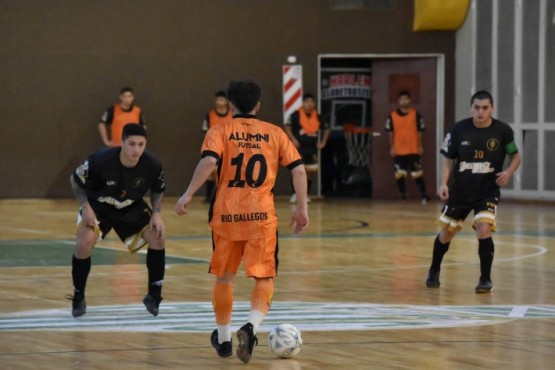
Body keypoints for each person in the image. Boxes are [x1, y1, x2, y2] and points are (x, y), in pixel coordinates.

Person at [175, 80, 309, 363]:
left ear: (231, 106)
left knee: (225, 278)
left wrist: (187, 194)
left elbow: (209, 162)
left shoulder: (220, 130)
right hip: (261, 217)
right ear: (258, 105)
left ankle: (223, 340)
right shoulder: (274, 133)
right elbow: (298, 170)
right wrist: (302, 208)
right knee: (264, 277)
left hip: (226, 216)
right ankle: (251, 326)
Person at [426, 90, 521, 293]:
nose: (480, 111)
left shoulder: (503, 131)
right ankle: (434, 270)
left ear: (491, 108)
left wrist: (508, 172)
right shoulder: (458, 130)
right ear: (471, 108)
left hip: (487, 191)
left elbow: (515, 156)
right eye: (477, 107)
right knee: (447, 233)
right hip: (460, 191)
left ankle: (485, 279)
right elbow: (447, 159)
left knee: (484, 227)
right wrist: (443, 183)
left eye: (485, 107)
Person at [68, 124, 166, 318]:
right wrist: (85, 205)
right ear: (121, 143)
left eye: (141, 144)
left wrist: (157, 213)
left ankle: (154, 296)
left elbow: (158, 188)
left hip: (130, 207)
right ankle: (78, 296)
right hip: (98, 207)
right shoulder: (100, 160)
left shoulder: (152, 164)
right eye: (131, 144)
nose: (136, 150)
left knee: (158, 237)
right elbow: (75, 179)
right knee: (83, 243)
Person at [385, 90, 430, 203]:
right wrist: (392, 147)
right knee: (400, 174)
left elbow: (420, 132)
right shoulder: (392, 116)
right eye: (401, 99)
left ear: (410, 100)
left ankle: (424, 195)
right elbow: (390, 133)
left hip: (413, 148)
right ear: (398, 101)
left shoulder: (416, 114)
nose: (404, 101)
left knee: (417, 173)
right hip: (399, 149)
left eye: (406, 99)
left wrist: (420, 146)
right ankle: (402, 195)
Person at [284, 93, 329, 203]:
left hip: (312, 148)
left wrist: (323, 143)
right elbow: (287, 126)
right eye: (307, 101)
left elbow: (326, 129)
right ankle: (295, 194)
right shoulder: (295, 115)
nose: (309, 104)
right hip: (299, 148)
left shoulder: (318, 116)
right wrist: (293, 139)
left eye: (311, 102)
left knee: (309, 172)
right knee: (297, 171)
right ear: (303, 103)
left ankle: (305, 195)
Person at [201, 90, 233, 203]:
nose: (219, 102)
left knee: (227, 173)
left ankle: (225, 196)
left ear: (227, 101)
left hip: (229, 149)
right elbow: (205, 132)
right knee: (210, 172)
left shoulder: (232, 115)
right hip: (214, 147)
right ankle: (208, 197)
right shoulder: (209, 116)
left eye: (222, 99)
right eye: (217, 99)